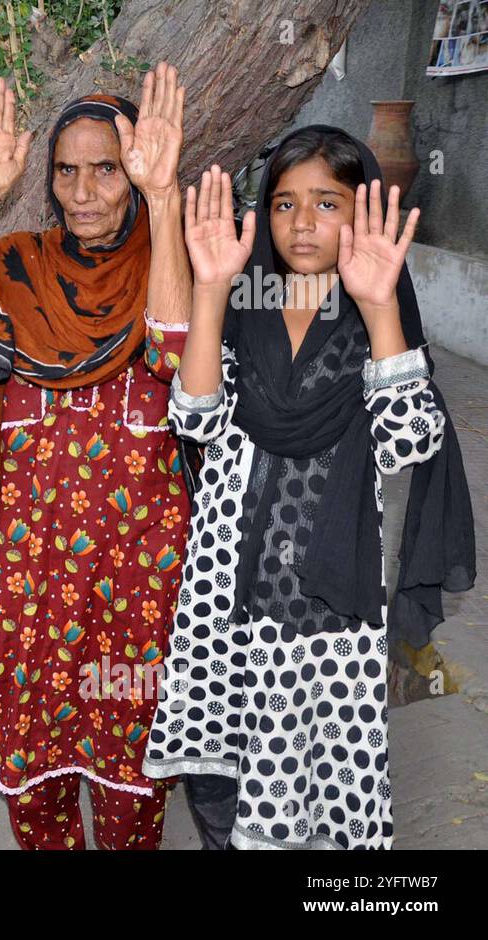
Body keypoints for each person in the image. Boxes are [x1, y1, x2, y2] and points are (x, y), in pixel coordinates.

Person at [141, 127, 476, 850]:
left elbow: (410, 441)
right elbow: (195, 417)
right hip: (224, 596)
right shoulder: (244, 307)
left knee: (313, 801)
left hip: (323, 612)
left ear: (361, 214)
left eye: (327, 202)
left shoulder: (370, 323)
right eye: (286, 203)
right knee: (221, 790)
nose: (302, 222)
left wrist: (380, 304)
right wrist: (209, 289)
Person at [0, 66, 194, 849]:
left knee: (130, 797)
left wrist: (167, 197)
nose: (83, 191)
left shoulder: (168, 266)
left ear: (133, 173)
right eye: (66, 171)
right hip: (32, 587)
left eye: (105, 168)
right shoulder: (18, 265)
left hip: (139, 592)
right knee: (36, 800)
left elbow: (175, 355)